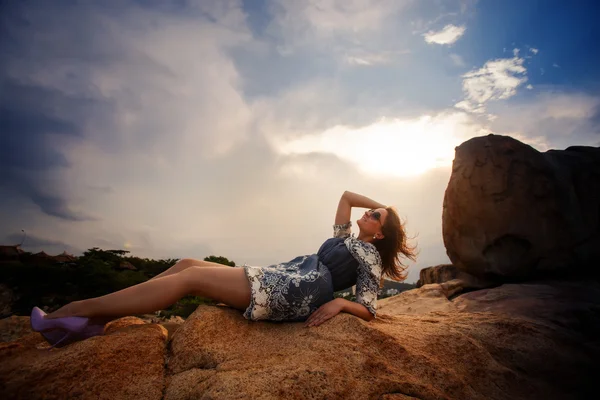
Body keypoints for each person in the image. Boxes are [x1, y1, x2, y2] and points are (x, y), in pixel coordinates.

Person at [30, 191, 417, 348]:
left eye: (375, 215)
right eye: (371, 211)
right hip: (291, 274)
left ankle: (77, 312)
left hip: (299, 291)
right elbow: (347, 196)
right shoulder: (347, 237)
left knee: (192, 278)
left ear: (380, 233)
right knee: (185, 263)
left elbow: (369, 307)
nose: (367, 212)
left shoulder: (368, 258)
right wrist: (388, 209)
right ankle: (95, 318)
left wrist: (339, 305)